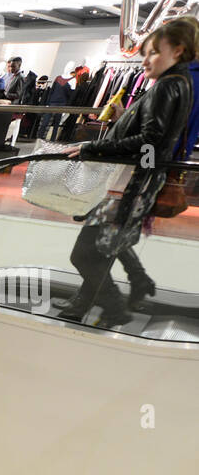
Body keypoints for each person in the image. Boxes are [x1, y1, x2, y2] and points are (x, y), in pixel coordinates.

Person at [60, 22, 195, 327]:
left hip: (130, 186)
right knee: (102, 247)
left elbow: (149, 142)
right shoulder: (176, 83)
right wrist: (125, 120)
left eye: (153, 53)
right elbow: (155, 138)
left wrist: (92, 149)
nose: (145, 60)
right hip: (134, 184)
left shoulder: (167, 85)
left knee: (86, 253)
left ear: (177, 51)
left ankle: (115, 306)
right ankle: (120, 294)